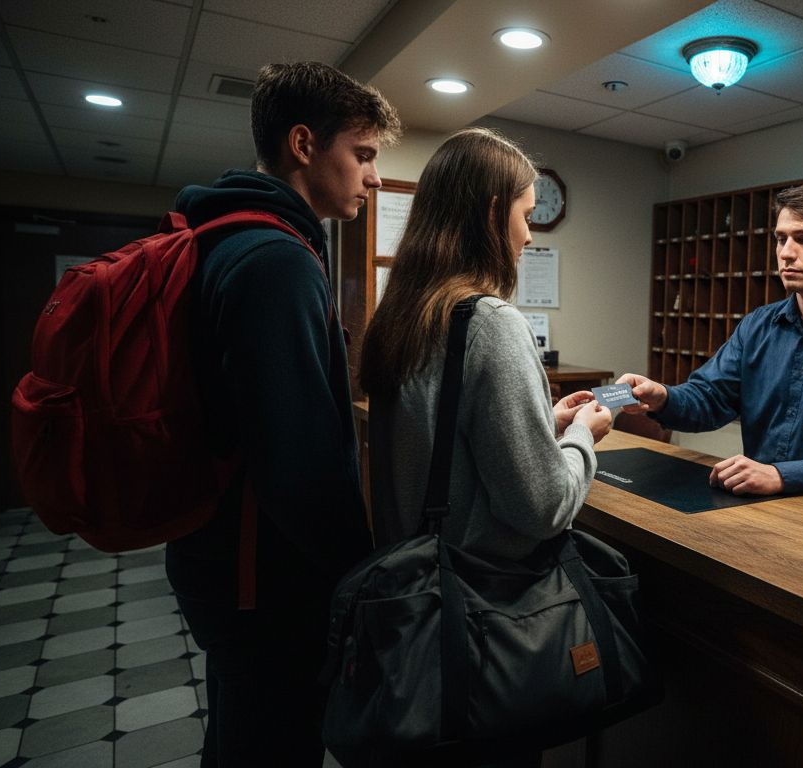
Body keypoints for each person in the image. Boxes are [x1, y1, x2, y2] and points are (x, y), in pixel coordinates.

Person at [164, 61, 400, 767]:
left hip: (223, 558)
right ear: (303, 144)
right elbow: (298, 463)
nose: (374, 176)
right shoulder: (276, 261)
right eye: (361, 155)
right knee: (270, 744)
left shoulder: (232, 238)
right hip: (262, 581)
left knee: (241, 732)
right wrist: (358, 582)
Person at [361, 126, 612, 563]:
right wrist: (581, 437)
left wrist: (543, 423)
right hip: (478, 602)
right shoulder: (492, 324)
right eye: (527, 216)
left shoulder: (402, 315)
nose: (530, 237)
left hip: (409, 584)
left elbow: (443, 439)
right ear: (494, 212)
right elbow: (545, 508)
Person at [619, 179, 803, 500]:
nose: (787, 253)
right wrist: (662, 397)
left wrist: (782, 475)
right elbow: (710, 399)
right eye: (781, 239)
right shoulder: (759, 326)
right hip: (761, 504)